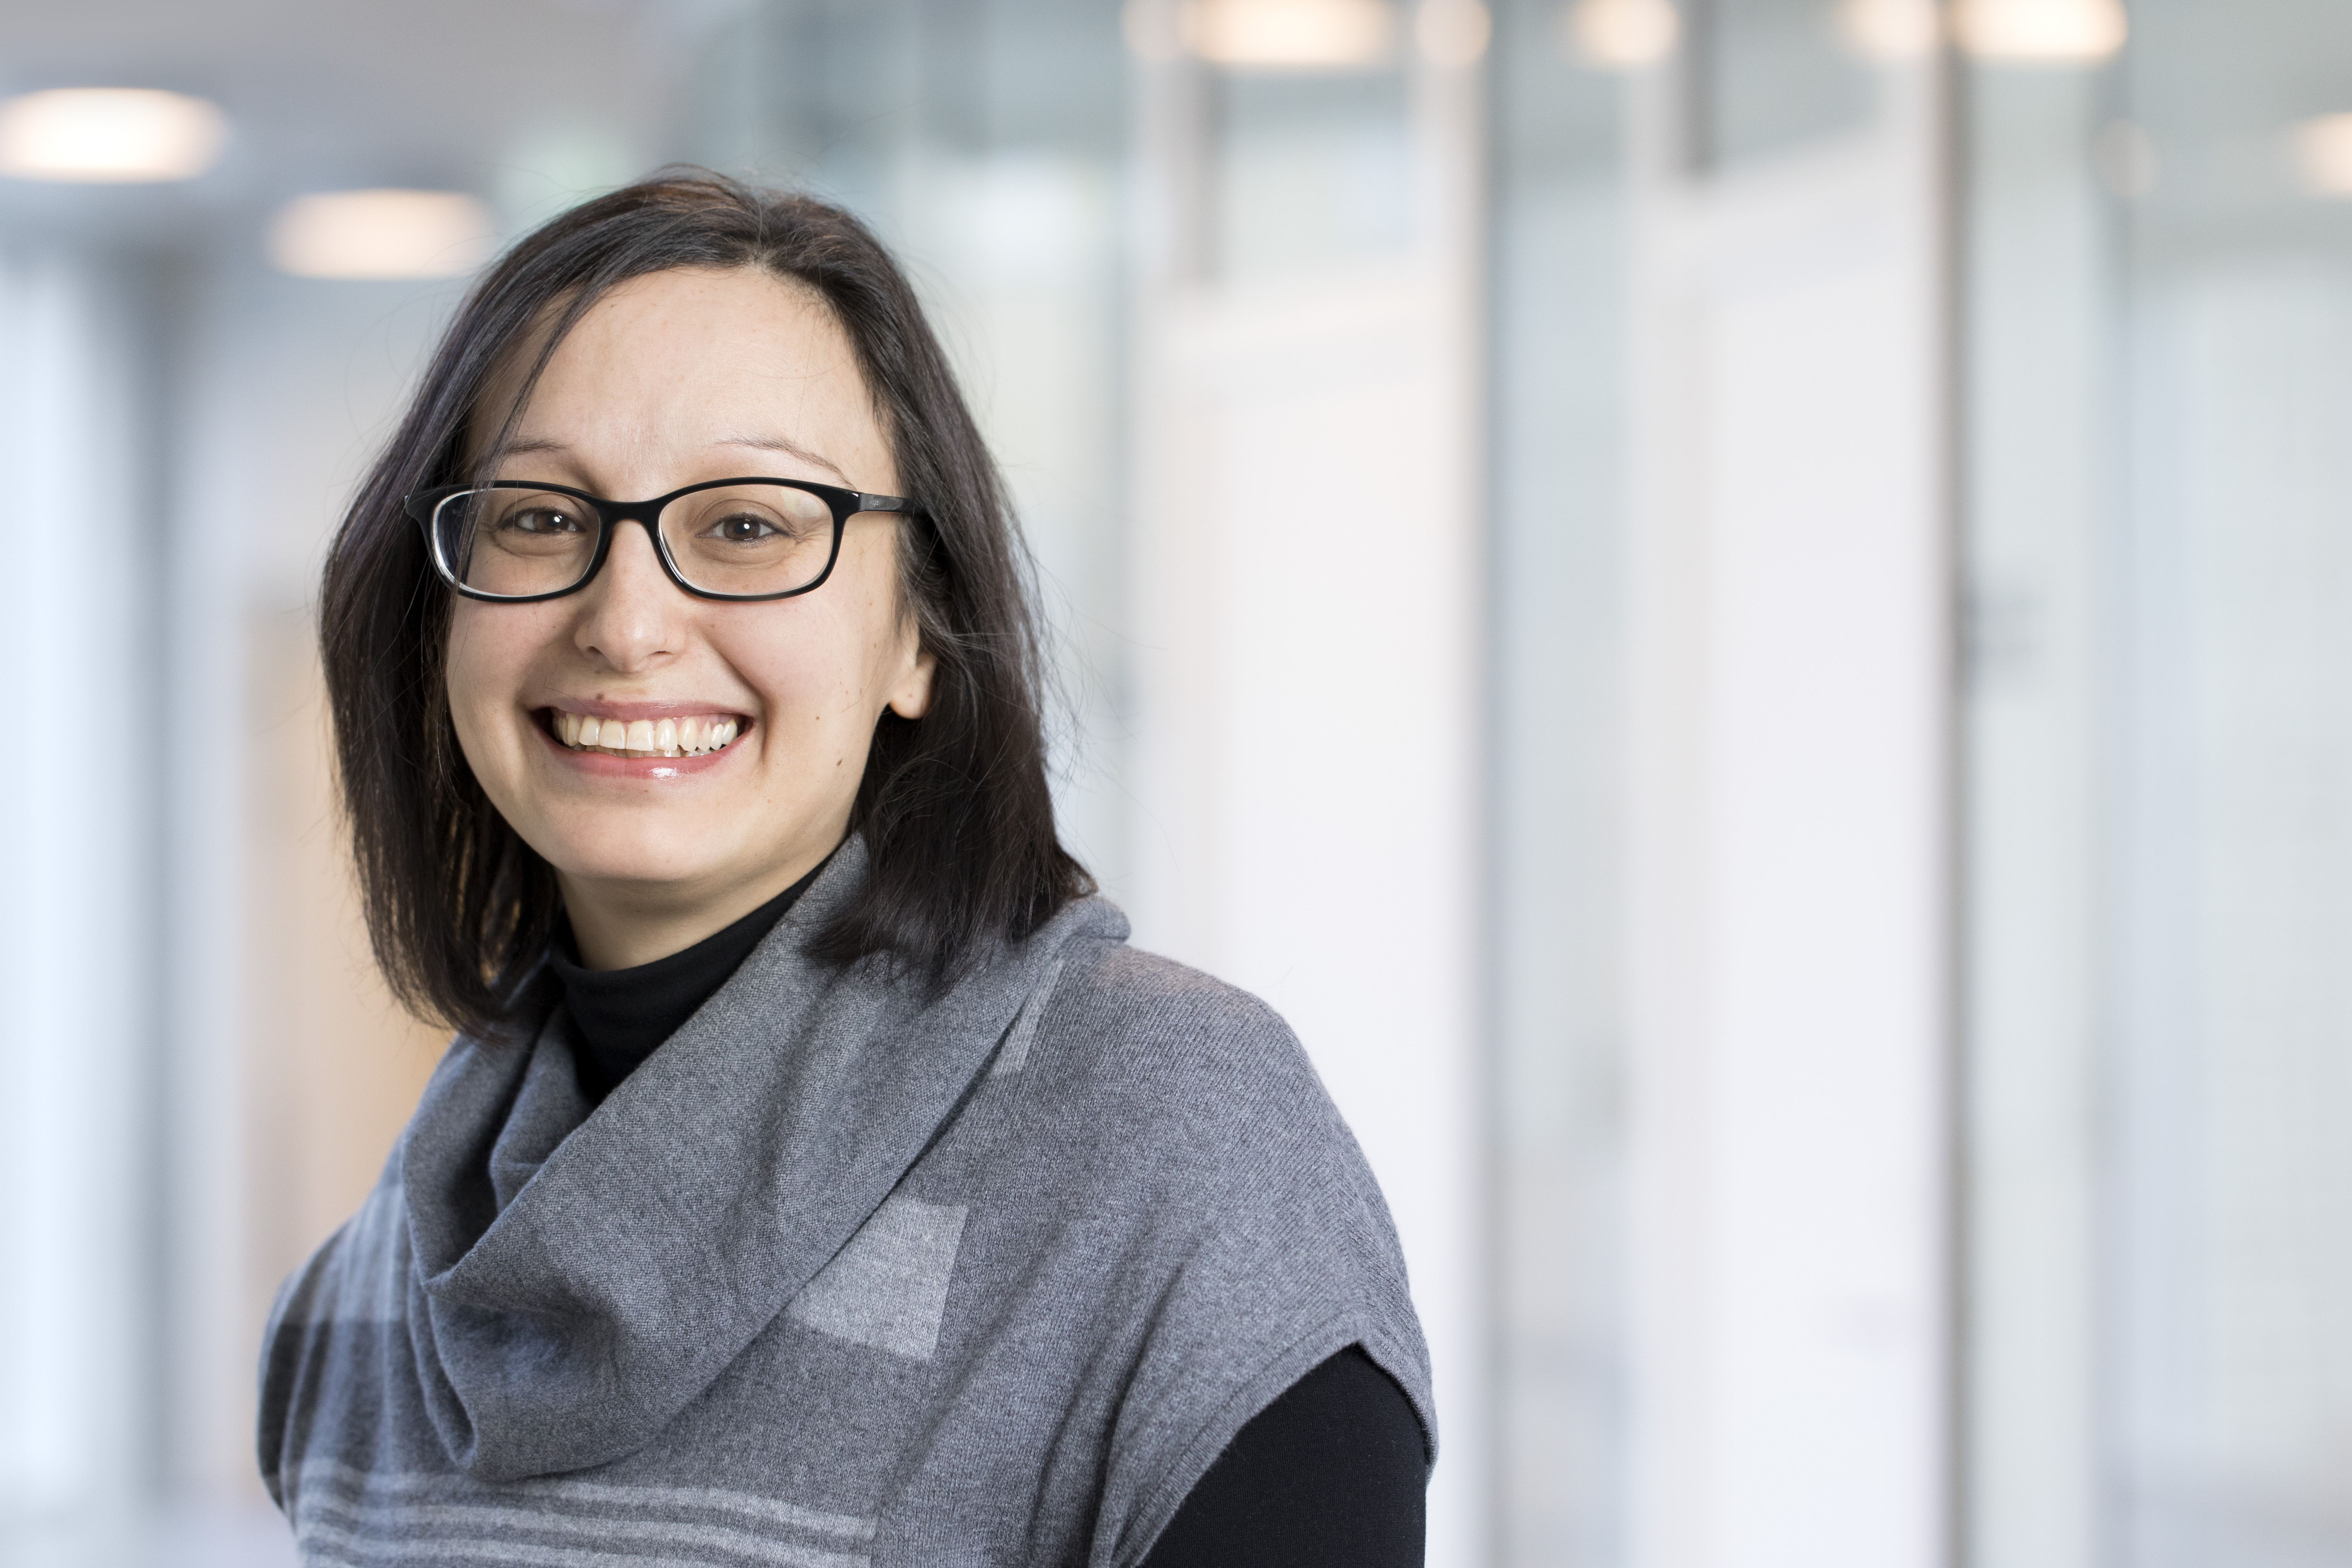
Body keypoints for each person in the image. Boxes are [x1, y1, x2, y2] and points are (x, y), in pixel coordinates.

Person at [258, 171, 1431, 1567]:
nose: (627, 622)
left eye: (747, 525)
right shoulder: (361, 1300)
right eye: (538, 518)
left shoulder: (1177, 1157)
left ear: (918, 635)